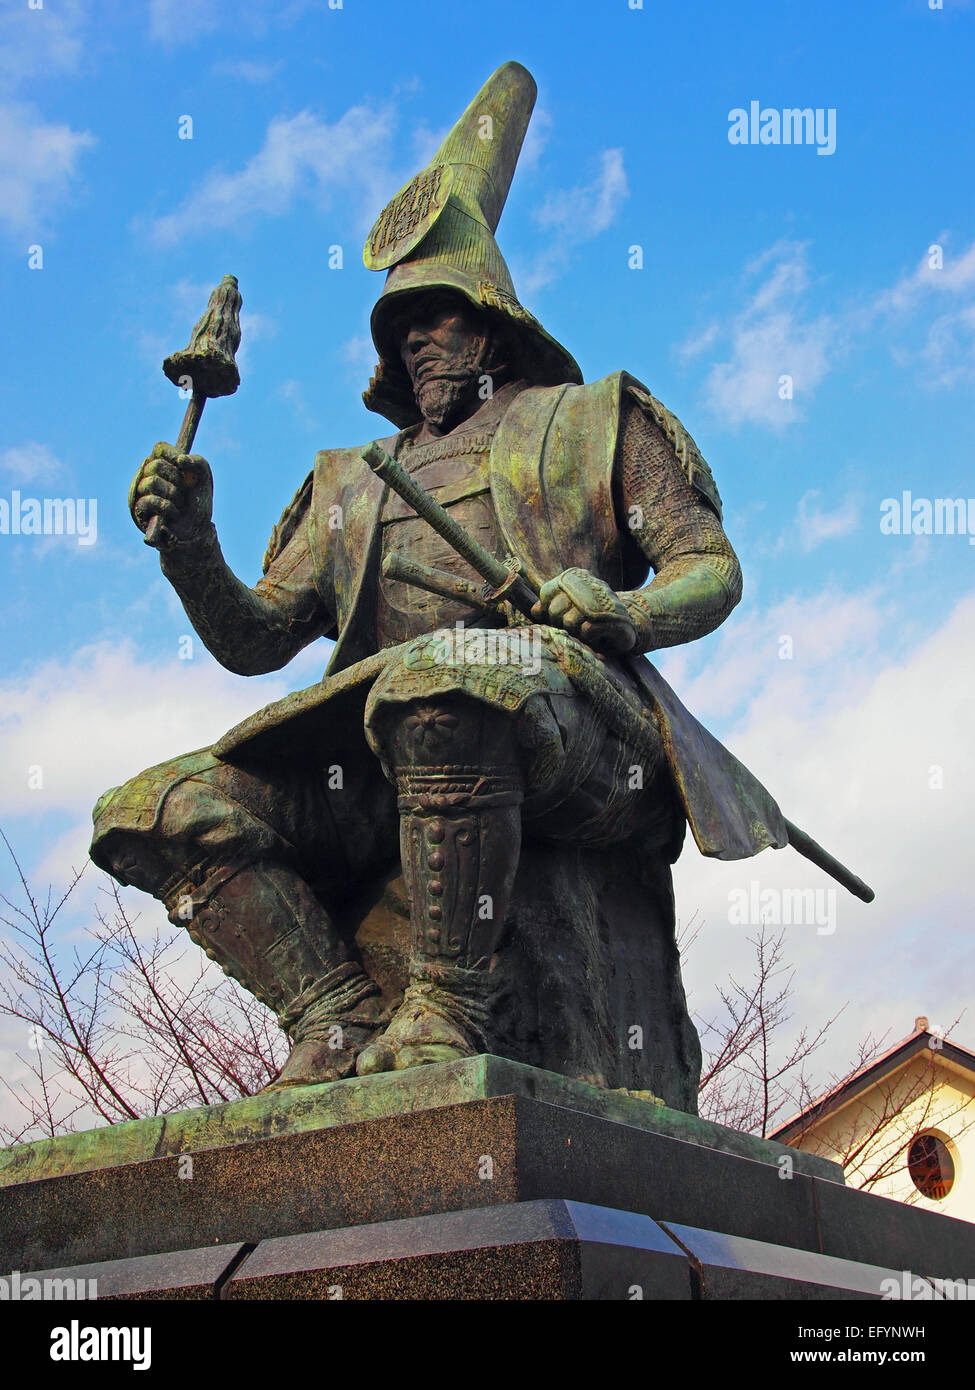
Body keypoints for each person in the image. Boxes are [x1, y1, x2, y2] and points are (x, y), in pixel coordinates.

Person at [91, 62, 785, 1093]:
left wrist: (621, 606)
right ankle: (334, 1016)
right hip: (379, 753)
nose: (413, 339)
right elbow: (256, 640)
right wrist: (191, 546)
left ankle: (450, 1012)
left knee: (444, 685)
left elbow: (710, 570)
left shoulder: (589, 423)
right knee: (150, 809)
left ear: (490, 317)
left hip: (578, 726)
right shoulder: (353, 482)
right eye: (395, 326)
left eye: (435, 315)